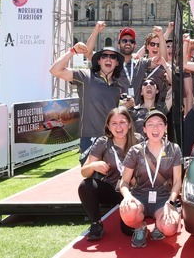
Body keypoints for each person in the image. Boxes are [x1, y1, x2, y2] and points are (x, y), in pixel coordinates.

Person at [119, 110, 182, 248]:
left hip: (163, 198)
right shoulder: (135, 150)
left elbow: (177, 182)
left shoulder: (174, 149)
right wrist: (127, 196)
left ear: (166, 128)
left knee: (169, 228)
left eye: (160, 124)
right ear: (144, 129)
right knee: (128, 211)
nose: (155, 128)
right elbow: (124, 182)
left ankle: (160, 227)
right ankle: (140, 227)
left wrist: (170, 203)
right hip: (139, 196)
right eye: (151, 124)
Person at [78, 107, 142, 241]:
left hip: (133, 192)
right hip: (112, 190)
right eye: (114, 123)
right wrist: (93, 165)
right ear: (108, 126)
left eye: (122, 122)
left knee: (128, 230)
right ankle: (96, 223)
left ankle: (138, 217)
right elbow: (84, 172)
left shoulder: (138, 140)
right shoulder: (103, 142)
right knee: (86, 185)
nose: (118, 127)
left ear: (129, 124)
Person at [50, 44, 123, 154]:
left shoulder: (118, 87)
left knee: (111, 171)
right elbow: (55, 70)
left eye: (112, 57)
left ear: (117, 63)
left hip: (112, 138)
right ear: (98, 61)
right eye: (104, 56)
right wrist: (72, 51)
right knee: (90, 171)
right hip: (90, 139)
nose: (108, 59)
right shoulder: (85, 76)